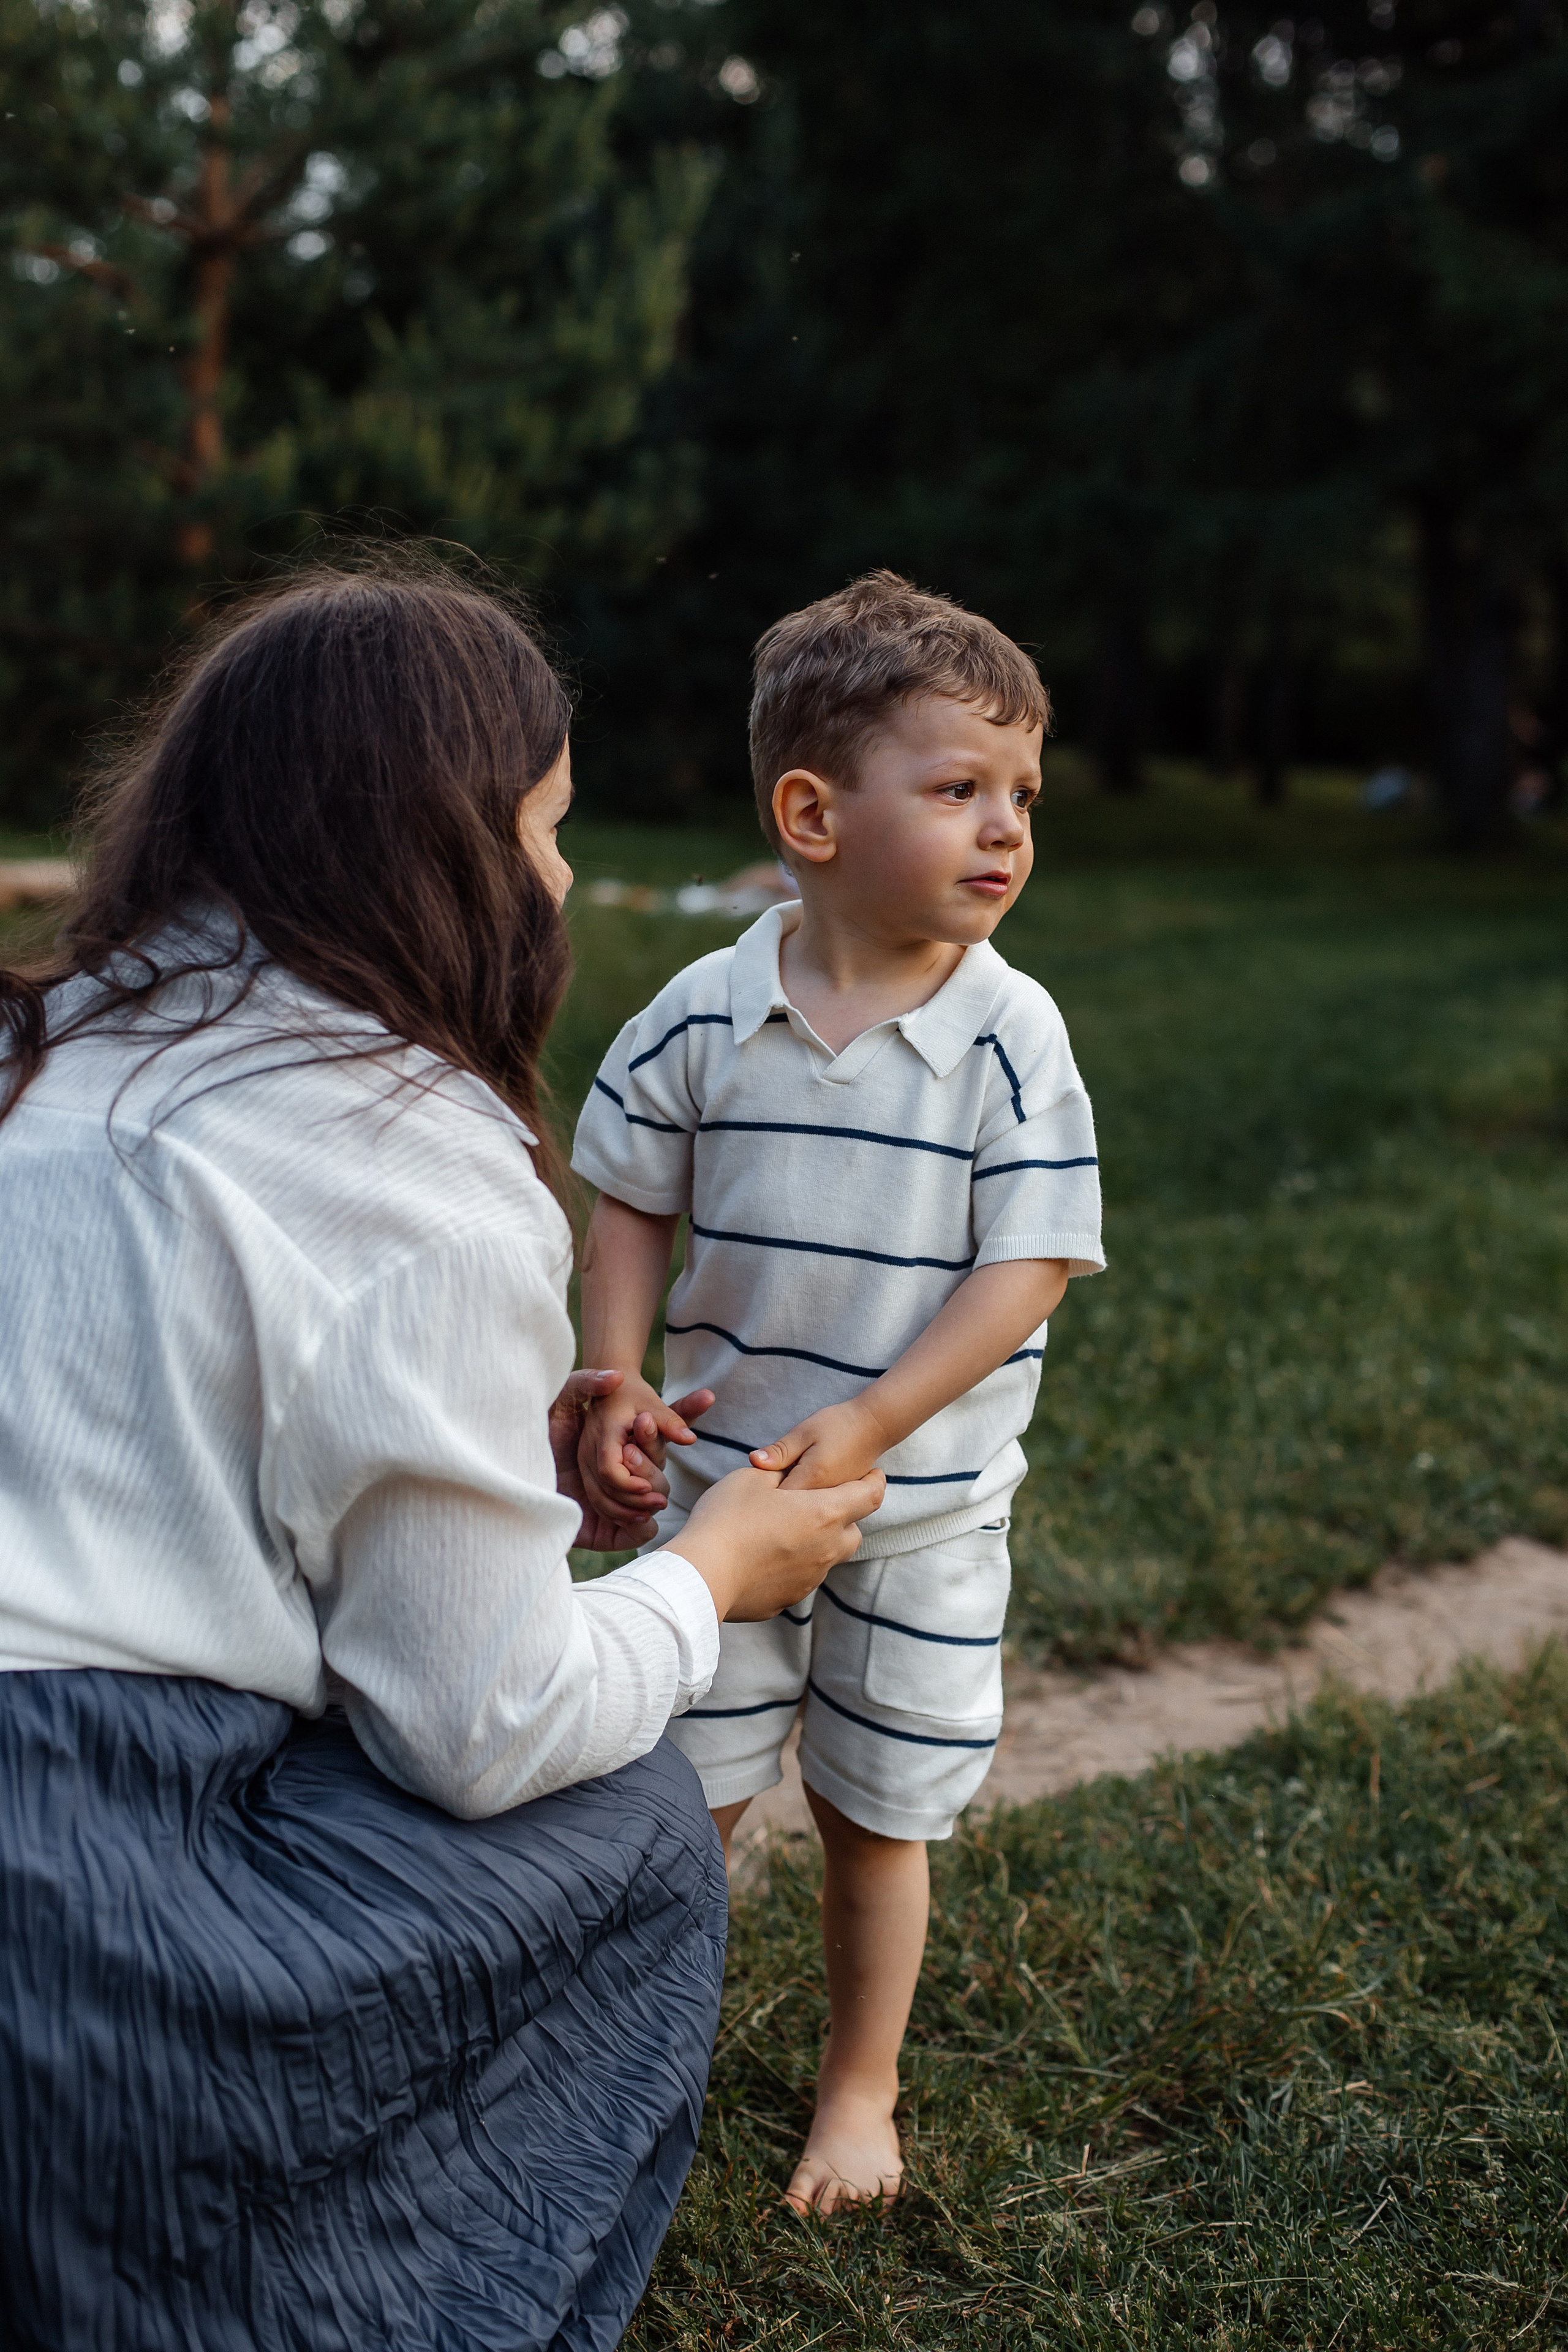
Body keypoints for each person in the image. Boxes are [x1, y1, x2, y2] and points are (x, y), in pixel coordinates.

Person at [0, 560, 883, 2352]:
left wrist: (479, 1463)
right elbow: (475, 1730)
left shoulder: (37, 1047)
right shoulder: (414, 1160)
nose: (561, 879)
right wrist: (708, 1578)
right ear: (452, 849)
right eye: (549, 832)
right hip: (72, 1903)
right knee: (629, 1811)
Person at [572, 571, 1106, 2214]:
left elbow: (1025, 1269)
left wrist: (872, 1428)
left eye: (1020, 794)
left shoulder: (1014, 1039)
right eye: (959, 791)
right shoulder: (705, 1014)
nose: (1006, 828)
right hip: (723, 1510)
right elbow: (630, 1198)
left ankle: (858, 2095)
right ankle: (634, 2069)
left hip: (918, 1519)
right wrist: (606, 1365)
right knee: (684, 1807)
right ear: (812, 813)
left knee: (878, 1819)